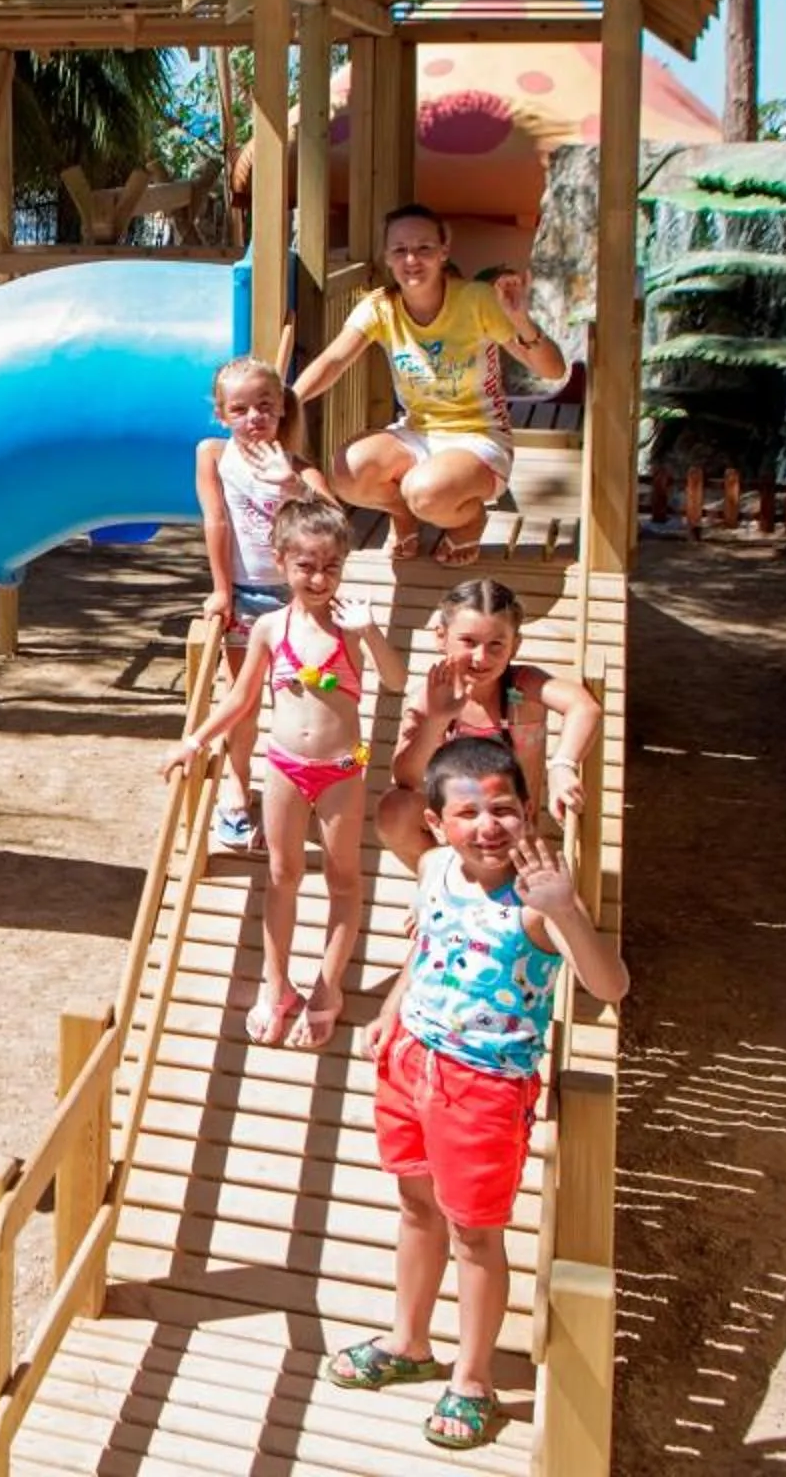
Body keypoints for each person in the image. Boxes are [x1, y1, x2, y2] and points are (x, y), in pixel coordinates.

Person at [323, 737, 629, 1452]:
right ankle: (408, 1341)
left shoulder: (538, 900)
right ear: (437, 824)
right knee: (415, 1205)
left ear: (528, 813)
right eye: (468, 813)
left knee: (474, 1231)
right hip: (410, 1063)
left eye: (503, 809)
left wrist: (568, 909)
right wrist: (393, 1007)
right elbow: (427, 947)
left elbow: (610, 987)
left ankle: (473, 1378)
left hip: (485, 1086)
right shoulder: (432, 871)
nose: (488, 826)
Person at [161, 496, 404, 1048]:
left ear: (344, 564)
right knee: (281, 875)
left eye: (331, 567)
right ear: (281, 562)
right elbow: (241, 699)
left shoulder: (351, 626)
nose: (319, 578)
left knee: (343, 880)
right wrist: (194, 741)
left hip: (345, 768)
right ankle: (277, 984)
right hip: (284, 768)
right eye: (306, 566)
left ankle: (329, 986)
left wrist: (370, 633)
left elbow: (393, 680)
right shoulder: (271, 627)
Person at [292, 203, 567, 567]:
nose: (412, 259)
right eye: (400, 250)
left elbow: (553, 370)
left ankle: (469, 521)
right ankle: (403, 516)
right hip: (418, 432)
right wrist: (289, 399)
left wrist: (520, 319)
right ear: (387, 257)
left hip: (480, 438)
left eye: (423, 248)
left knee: (424, 491)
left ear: (443, 251)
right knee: (347, 471)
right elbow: (334, 360)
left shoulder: (476, 300)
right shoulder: (380, 307)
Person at [375, 579, 606, 870]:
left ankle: (489, 884)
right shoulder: (428, 697)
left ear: (515, 645)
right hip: (459, 835)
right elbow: (406, 778)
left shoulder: (523, 687)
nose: (481, 658)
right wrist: (436, 719)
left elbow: (584, 707)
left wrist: (562, 764)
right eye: (468, 642)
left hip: (514, 834)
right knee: (393, 810)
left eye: (496, 644)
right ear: (441, 637)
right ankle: (437, 882)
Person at [192, 355, 319, 852]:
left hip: (297, 600)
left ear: (282, 409)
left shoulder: (297, 466)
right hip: (246, 593)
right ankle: (237, 788)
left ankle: (290, 792)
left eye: (265, 406)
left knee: (296, 700)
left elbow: (334, 524)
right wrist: (222, 588)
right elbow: (216, 521)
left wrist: (292, 484)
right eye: (240, 409)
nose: (254, 418)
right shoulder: (213, 454)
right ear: (222, 414)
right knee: (240, 699)